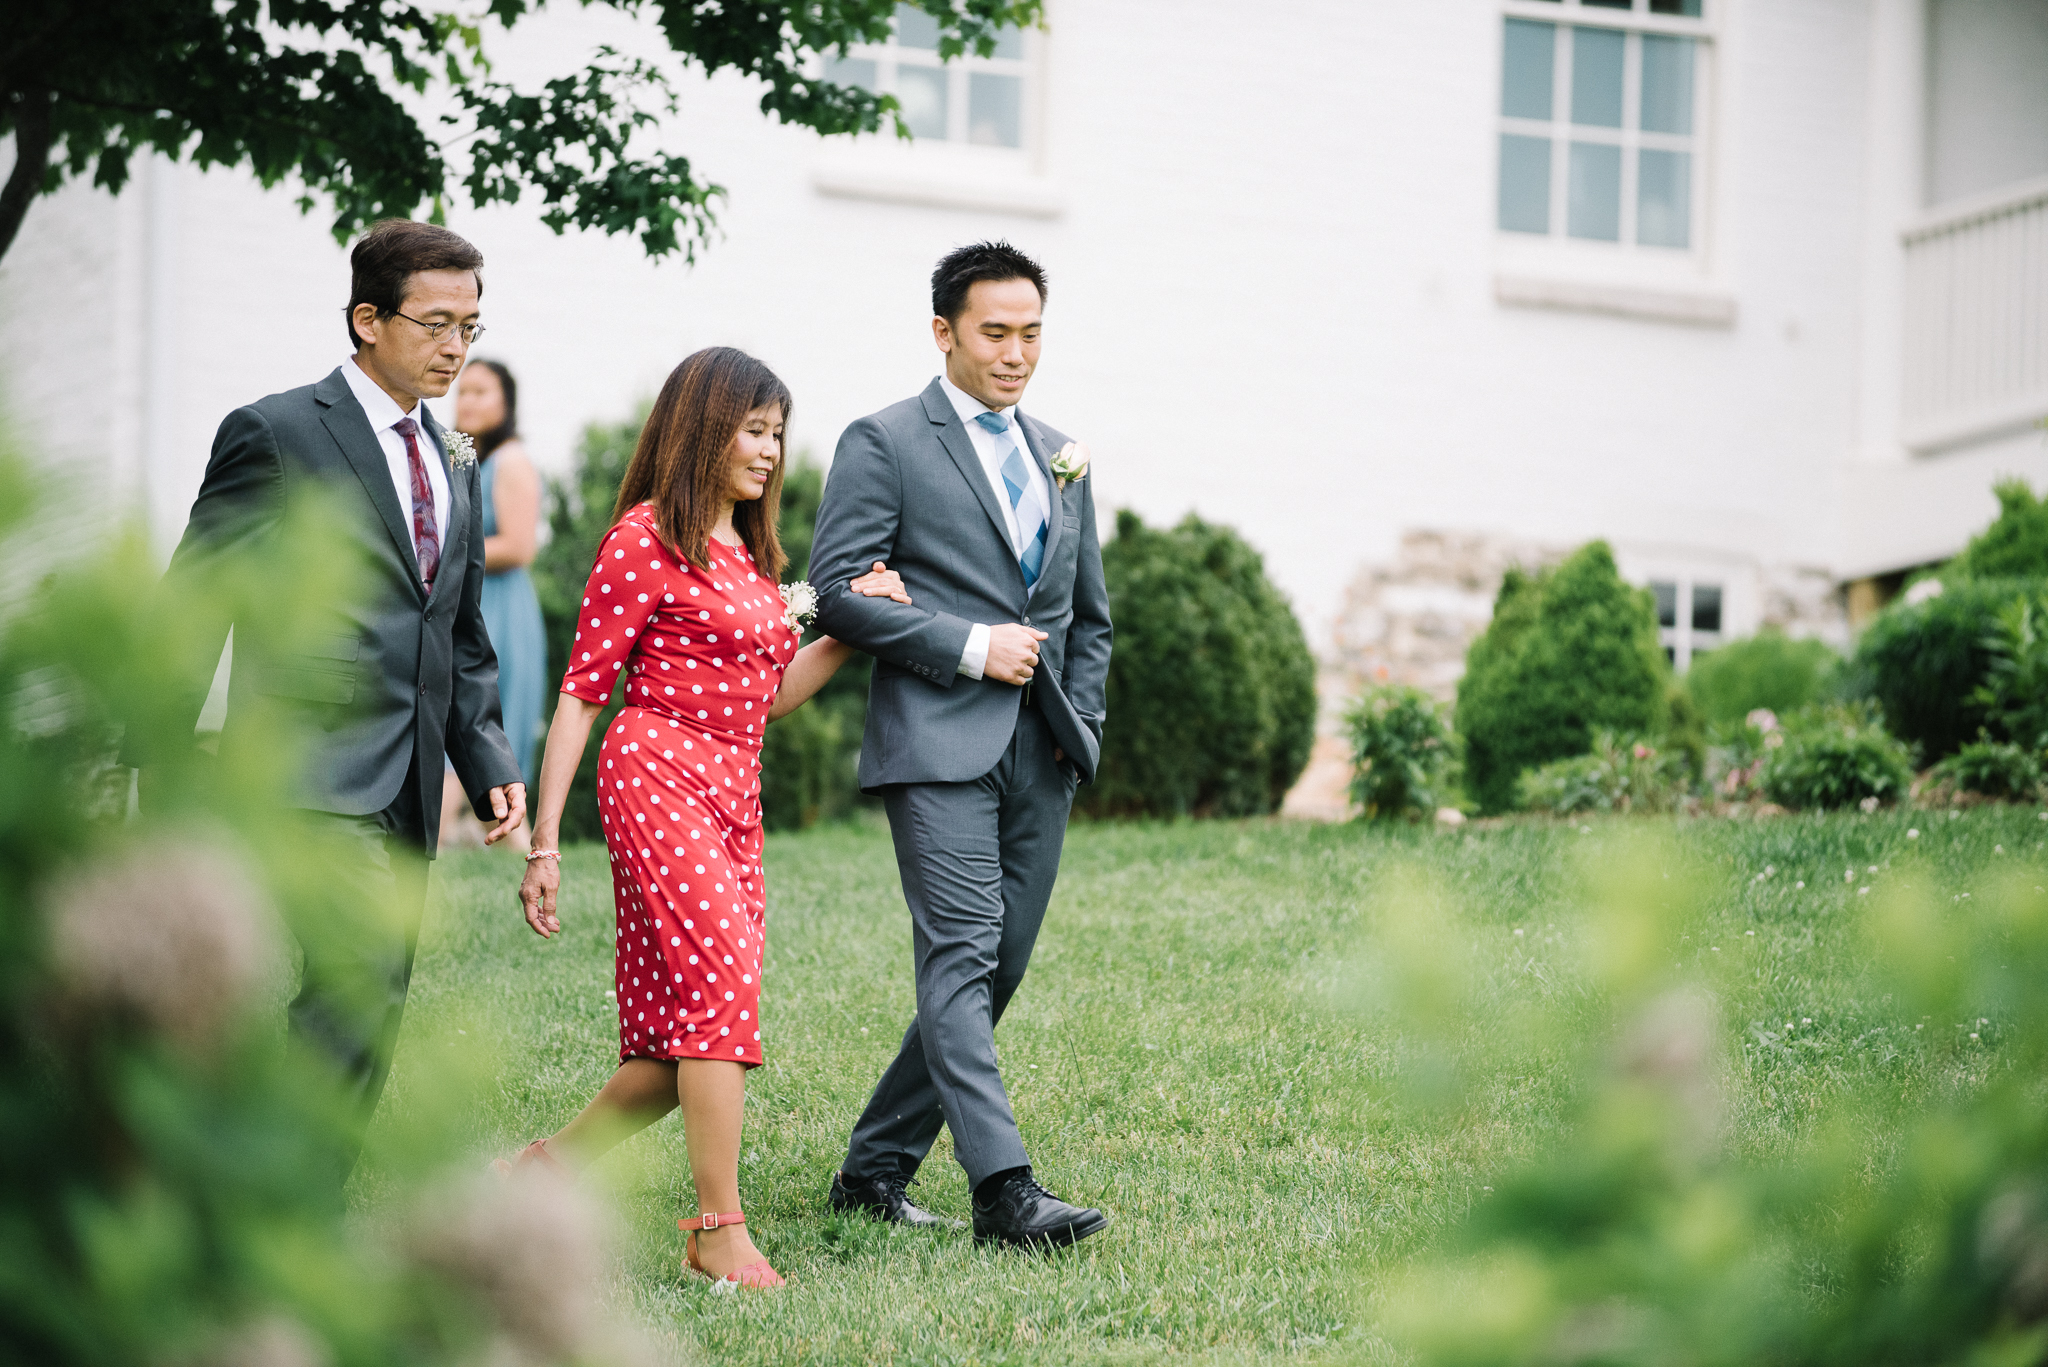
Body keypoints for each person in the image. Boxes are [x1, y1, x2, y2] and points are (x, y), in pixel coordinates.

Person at [505, 347, 909, 1289]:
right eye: (753, 430)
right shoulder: (646, 537)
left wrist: (850, 629)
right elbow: (582, 691)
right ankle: (715, 1231)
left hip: (734, 791)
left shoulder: (751, 554)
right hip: (656, 773)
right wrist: (546, 840)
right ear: (701, 427)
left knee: (679, 1036)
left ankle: (542, 1174)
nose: (769, 452)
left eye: (777, 433)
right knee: (719, 999)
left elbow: (765, 700)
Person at [137, 219, 526, 1174]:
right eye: (435, 323)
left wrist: (486, 759)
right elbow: (197, 599)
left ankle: (293, 1195)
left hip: (411, 778)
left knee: (375, 993)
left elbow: (459, 626)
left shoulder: (455, 453)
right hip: (308, 767)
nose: (455, 347)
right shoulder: (276, 432)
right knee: (351, 985)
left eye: (470, 327)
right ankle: (280, 1205)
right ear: (366, 319)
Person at [807, 241, 1114, 1248]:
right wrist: (968, 645)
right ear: (943, 331)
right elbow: (838, 589)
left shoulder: (1061, 453)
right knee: (959, 952)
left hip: (1043, 753)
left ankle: (873, 1170)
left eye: (1030, 332)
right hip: (935, 739)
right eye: (995, 331)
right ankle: (1005, 1190)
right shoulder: (884, 439)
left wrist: (1080, 728)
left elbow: (1085, 615)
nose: (1016, 352)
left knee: (998, 967)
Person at [439, 358, 545, 845]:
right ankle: (495, 845)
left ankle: (435, 843)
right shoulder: (468, 461)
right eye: (463, 391)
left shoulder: (511, 462)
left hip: (499, 611)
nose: (467, 401)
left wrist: (440, 554)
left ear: (507, 403)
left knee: (471, 724)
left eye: (481, 392)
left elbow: (520, 546)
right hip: (471, 603)